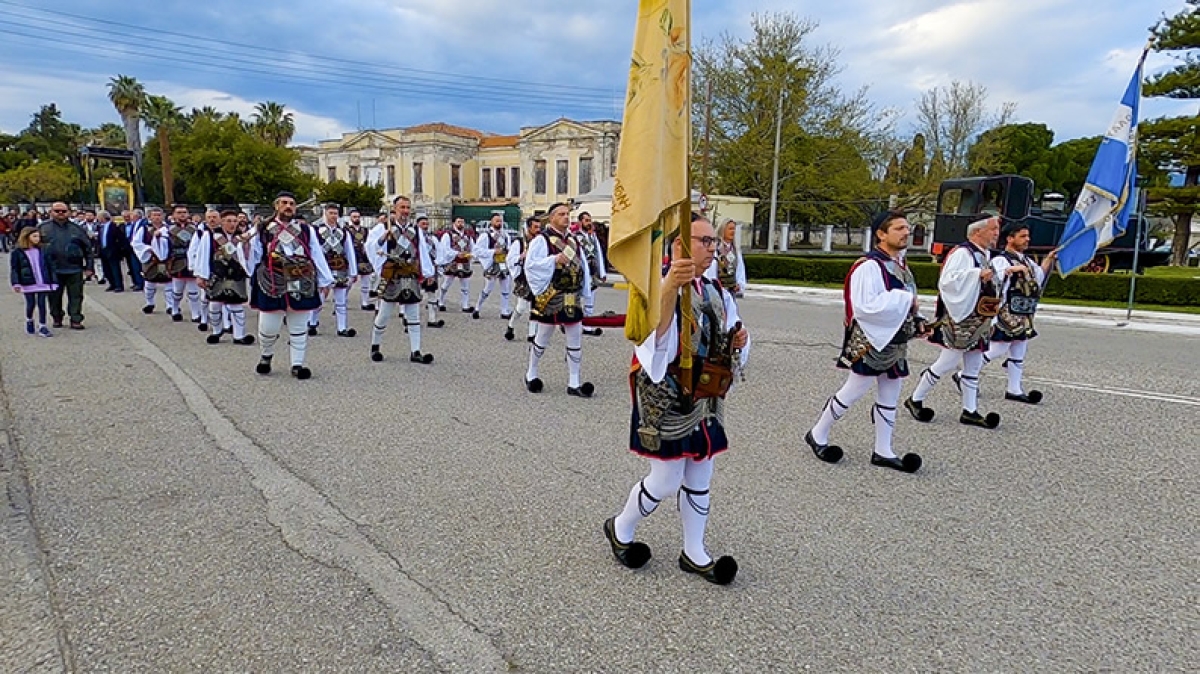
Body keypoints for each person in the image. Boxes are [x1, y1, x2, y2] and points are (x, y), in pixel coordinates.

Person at [603, 214, 750, 585]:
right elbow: (652, 343)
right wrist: (669, 288)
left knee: (702, 472)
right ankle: (620, 527)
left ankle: (694, 551)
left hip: (706, 394)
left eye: (714, 242)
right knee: (667, 479)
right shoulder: (655, 285)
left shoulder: (715, 289)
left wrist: (738, 341)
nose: (713, 249)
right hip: (668, 393)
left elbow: (727, 331)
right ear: (680, 245)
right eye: (705, 241)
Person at [804, 211, 926, 473]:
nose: (906, 232)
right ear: (881, 234)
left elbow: (907, 300)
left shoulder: (900, 264)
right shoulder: (869, 266)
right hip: (870, 340)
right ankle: (818, 433)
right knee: (854, 390)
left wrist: (917, 319)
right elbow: (865, 306)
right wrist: (906, 300)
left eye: (907, 227)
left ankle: (884, 450)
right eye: (899, 228)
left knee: (891, 392)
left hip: (895, 340)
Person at [905, 216, 1003, 429]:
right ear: (977, 231)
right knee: (948, 361)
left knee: (974, 365)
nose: (997, 233)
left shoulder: (984, 254)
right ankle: (915, 399)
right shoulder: (962, 253)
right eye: (993, 229)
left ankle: (970, 410)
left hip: (979, 319)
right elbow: (947, 281)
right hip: (961, 320)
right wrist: (976, 274)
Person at [967, 222, 1057, 404]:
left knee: (1019, 349)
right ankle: (965, 375)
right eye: (1022, 236)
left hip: (1023, 313)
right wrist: (1010, 271)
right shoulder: (1001, 260)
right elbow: (993, 279)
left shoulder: (1027, 261)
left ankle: (1014, 389)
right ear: (1010, 239)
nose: (1027, 240)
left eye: (1027, 236)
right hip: (1006, 312)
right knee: (999, 347)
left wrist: (1049, 259)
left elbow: (1038, 278)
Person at [248, 191, 333, 380]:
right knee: (268, 327)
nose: (288, 207)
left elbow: (316, 254)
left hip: (300, 279)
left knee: (299, 326)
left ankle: (297, 364)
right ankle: (266, 355)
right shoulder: (263, 229)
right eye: (284, 203)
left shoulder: (305, 230)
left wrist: (325, 280)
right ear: (276, 206)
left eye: (292, 204)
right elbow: (254, 255)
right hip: (272, 280)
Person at [523, 202, 594, 397]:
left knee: (575, 335)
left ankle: (574, 382)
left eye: (567, 214)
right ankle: (531, 373)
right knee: (543, 335)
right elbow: (531, 265)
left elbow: (582, 266)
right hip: (551, 296)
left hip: (572, 295)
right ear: (552, 217)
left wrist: (585, 291)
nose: (566, 217)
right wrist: (553, 260)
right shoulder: (542, 240)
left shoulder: (573, 240)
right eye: (561, 214)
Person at [369, 196, 435, 364]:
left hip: (410, 274)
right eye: (402, 207)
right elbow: (370, 247)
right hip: (392, 276)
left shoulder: (415, 230)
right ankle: (375, 346)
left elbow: (422, 251)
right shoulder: (383, 227)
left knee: (413, 314)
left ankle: (416, 351)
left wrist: (428, 273)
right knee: (384, 315)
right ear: (395, 209)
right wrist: (382, 239)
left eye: (407, 207)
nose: (405, 211)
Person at [194, 210, 255, 346]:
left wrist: (246, 245)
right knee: (215, 305)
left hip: (236, 275)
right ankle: (217, 331)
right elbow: (203, 255)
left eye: (234, 221)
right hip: (217, 274)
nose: (232, 224)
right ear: (222, 222)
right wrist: (201, 275)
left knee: (236, 305)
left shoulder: (241, 237)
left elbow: (248, 256)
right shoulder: (210, 235)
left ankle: (239, 335)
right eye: (228, 221)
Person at [38, 202, 93, 330]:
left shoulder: (77, 229)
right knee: (54, 296)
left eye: (63, 211)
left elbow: (87, 249)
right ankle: (57, 317)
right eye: (57, 211)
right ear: (51, 212)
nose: (60, 213)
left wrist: (89, 267)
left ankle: (75, 318)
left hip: (74, 268)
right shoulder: (42, 228)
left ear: (69, 212)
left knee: (76, 296)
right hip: (53, 269)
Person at [308, 204, 359, 337]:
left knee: (341, 301)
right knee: (319, 298)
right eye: (331, 213)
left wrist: (353, 272)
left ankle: (342, 328)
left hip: (339, 267)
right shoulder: (315, 230)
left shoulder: (344, 232)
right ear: (325, 214)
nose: (333, 216)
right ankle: (312, 323)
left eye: (335, 213)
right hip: (322, 268)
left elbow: (349, 251)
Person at [10, 227, 58, 337]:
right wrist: (16, 283)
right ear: (27, 237)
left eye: (38, 236)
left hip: (42, 281)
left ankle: (42, 326)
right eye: (34, 236)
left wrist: (53, 281)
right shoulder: (18, 252)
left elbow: (50, 266)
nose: (37, 239)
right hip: (28, 281)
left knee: (42, 304)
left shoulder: (43, 250)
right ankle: (29, 319)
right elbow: (15, 269)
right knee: (31, 303)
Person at [165, 204, 203, 325]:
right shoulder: (168, 230)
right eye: (179, 212)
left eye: (184, 212)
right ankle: (175, 309)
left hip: (191, 262)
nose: (182, 215)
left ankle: (195, 313)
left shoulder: (196, 230)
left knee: (193, 291)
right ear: (173, 215)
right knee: (177, 291)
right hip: (177, 262)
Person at [471, 213, 514, 320]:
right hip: (492, 265)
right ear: (492, 222)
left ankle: (504, 311)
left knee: (506, 289)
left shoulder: (506, 236)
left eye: (500, 221)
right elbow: (477, 250)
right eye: (497, 221)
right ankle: (477, 308)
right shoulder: (486, 236)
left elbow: (509, 249)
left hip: (503, 264)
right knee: (488, 288)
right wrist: (493, 251)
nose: (499, 223)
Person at [505, 216, 541, 342]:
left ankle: (532, 334)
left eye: (539, 227)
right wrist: (521, 256)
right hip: (524, 277)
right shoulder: (519, 243)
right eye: (535, 227)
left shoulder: (540, 242)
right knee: (521, 307)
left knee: (536, 307)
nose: (538, 230)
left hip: (537, 277)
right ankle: (511, 325)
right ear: (528, 228)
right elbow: (510, 259)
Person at [131, 208, 172, 314]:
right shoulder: (144, 229)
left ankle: (170, 305)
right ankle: (150, 303)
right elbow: (136, 243)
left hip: (167, 259)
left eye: (159, 215)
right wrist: (148, 249)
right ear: (149, 217)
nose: (157, 217)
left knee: (169, 282)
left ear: (163, 216)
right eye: (154, 215)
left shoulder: (169, 229)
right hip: (150, 259)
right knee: (149, 281)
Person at [575, 212, 607, 336]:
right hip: (579, 273)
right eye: (586, 220)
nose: (589, 223)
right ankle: (571, 324)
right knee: (575, 300)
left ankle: (587, 326)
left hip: (592, 273)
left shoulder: (593, 237)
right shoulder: (575, 237)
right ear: (580, 222)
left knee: (590, 300)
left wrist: (602, 272)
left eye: (590, 220)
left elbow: (598, 253)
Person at [437, 217, 475, 313]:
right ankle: (440, 301)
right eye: (458, 222)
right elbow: (445, 249)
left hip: (465, 262)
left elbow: (473, 247)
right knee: (447, 283)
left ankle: (465, 305)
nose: (460, 224)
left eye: (462, 222)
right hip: (452, 262)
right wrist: (456, 253)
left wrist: (471, 254)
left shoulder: (468, 236)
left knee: (465, 285)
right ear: (454, 223)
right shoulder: (448, 235)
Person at [345, 209, 377, 311]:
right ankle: (341, 302)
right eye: (354, 217)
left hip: (364, 257)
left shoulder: (366, 230)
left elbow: (370, 242)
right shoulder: (346, 230)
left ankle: (365, 302)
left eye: (358, 217)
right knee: (349, 281)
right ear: (350, 218)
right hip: (352, 257)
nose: (356, 219)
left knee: (366, 281)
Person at [706, 218, 746, 297]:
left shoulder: (735, 251)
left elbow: (740, 270)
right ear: (723, 230)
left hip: (731, 292)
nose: (733, 231)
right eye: (730, 229)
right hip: (718, 291)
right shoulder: (716, 248)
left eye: (734, 229)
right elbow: (711, 270)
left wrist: (739, 285)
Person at [417, 215, 444, 328]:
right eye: (423, 224)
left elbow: (439, 251)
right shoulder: (414, 238)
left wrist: (437, 263)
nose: (425, 226)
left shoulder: (432, 238)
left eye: (427, 224)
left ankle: (432, 319)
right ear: (417, 225)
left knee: (432, 293)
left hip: (431, 269)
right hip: (418, 269)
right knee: (416, 294)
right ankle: (412, 320)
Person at [97, 211, 129, 293]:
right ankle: (112, 284)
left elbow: (121, 238)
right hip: (103, 250)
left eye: (99, 217)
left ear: (103, 217)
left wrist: (120, 249)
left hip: (112, 250)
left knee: (115, 269)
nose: (98, 219)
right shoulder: (101, 227)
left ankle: (118, 285)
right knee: (106, 269)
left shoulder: (114, 226)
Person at [124, 209, 145, 291]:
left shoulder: (143, 223)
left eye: (132, 215)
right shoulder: (134, 224)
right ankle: (137, 282)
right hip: (133, 248)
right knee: (134, 267)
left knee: (139, 266)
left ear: (137, 216)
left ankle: (141, 283)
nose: (130, 217)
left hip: (140, 248)